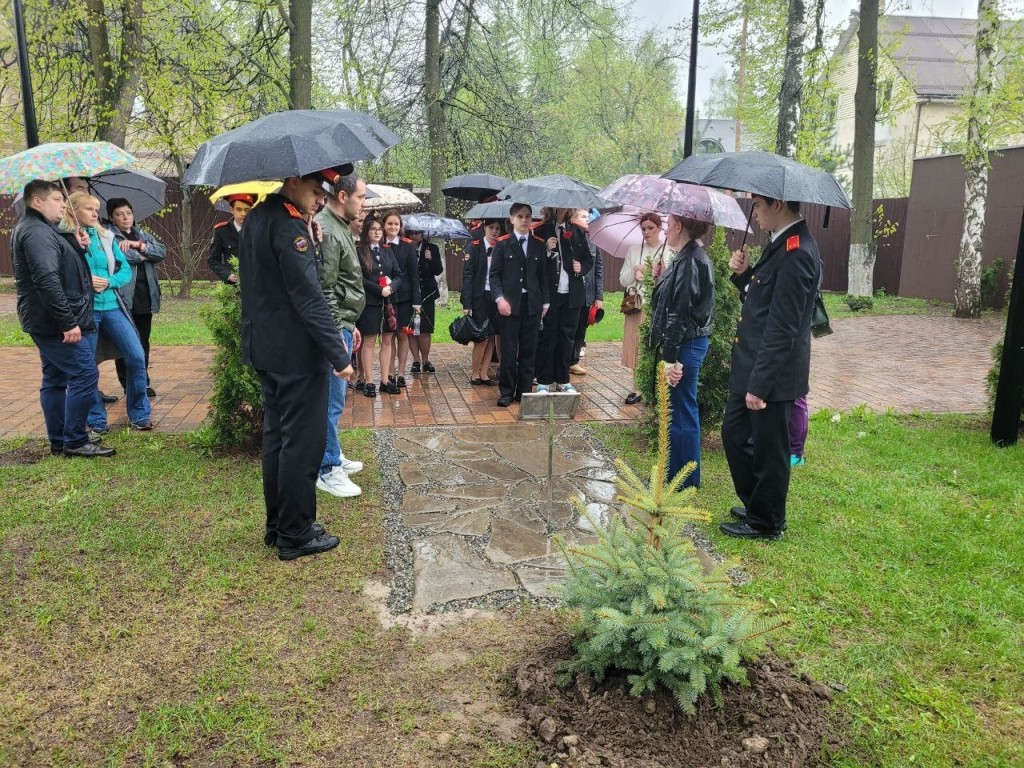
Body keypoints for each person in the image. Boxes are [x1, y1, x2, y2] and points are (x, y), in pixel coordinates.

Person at [239, 171, 354, 561]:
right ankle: (295, 533)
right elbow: (308, 298)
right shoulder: (291, 228)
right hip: (294, 354)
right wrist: (339, 355)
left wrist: (312, 240)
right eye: (315, 189)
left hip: (266, 348)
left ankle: (280, 525)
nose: (321, 197)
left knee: (278, 440)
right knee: (301, 445)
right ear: (292, 181)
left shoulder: (259, 216)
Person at [720, 196, 820, 541]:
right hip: (752, 364)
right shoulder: (779, 245)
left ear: (777, 204)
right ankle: (757, 504)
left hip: (771, 375)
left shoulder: (798, 253)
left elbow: (783, 327)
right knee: (734, 436)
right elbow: (762, 301)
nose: (756, 214)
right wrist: (744, 274)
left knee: (769, 449)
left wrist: (760, 385)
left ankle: (767, 521)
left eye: (759, 206)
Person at [12, 180, 113, 458]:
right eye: (57, 199)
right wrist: (67, 322)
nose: (62, 204)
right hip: (53, 321)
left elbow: (62, 265)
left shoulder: (45, 230)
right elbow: (47, 280)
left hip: (47, 319)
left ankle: (60, 439)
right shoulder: (36, 232)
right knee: (84, 372)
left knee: (55, 378)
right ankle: (75, 440)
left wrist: (75, 242)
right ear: (37, 202)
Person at [63, 192, 153, 432]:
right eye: (89, 209)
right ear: (73, 212)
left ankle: (139, 412)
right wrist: (84, 277)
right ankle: (96, 418)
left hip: (112, 306)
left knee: (135, 355)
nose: (95, 214)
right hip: (86, 310)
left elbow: (125, 271)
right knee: (88, 365)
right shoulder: (66, 239)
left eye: (96, 209)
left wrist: (109, 281)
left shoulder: (106, 236)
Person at [649, 216, 715, 488]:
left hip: (685, 345)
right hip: (686, 342)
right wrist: (663, 278)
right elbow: (674, 300)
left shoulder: (690, 261)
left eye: (669, 224)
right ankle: (674, 475)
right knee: (678, 409)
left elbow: (679, 314)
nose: (665, 229)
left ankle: (683, 481)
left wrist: (670, 359)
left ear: (679, 227)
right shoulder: (686, 257)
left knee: (682, 411)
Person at [314, 170, 367, 498]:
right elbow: (326, 288)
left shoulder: (340, 226)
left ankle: (332, 454)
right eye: (360, 197)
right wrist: (337, 334)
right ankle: (327, 467)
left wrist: (352, 324)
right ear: (343, 196)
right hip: (335, 328)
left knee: (335, 401)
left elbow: (345, 283)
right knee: (330, 402)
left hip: (344, 324)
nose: (363, 203)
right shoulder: (329, 231)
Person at [488, 203, 549, 407]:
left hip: (532, 304)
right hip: (509, 306)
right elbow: (494, 275)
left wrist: (545, 302)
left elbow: (543, 277)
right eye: (520, 216)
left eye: (528, 216)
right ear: (512, 219)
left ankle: (523, 391)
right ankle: (506, 391)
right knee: (509, 349)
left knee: (529, 350)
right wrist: (499, 299)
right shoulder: (503, 244)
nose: (524, 220)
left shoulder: (538, 244)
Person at [108, 198, 165, 399]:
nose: (125, 217)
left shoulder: (142, 234)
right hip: (124, 298)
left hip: (145, 296)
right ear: (112, 218)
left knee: (143, 341)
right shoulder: (110, 236)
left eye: (128, 213)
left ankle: (142, 382)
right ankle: (127, 384)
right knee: (125, 343)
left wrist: (137, 244)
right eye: (119, 214)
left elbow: (162, 252)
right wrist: (144, 252)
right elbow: (125, 258)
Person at [533, 207, 593, 394]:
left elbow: (588, 260)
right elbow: (533, 262)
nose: (564, 208)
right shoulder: (541, 230)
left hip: (572, 294)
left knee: (567, 337)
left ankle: (563, 379)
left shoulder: (578, 231)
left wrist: (580, 267)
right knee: (548, 337)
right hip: (551, 294)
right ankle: (543, 380)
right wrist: (547, 250)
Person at [619, 212, 672, 405]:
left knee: (653, 347)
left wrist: (656, 272)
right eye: (643, 228)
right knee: (635, 346)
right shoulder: (633, 250)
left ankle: (655, 387)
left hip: (657, 306)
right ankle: (637, 387)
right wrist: (634, 272)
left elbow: (671, 279)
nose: (647, 232)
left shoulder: (668, 250)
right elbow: (622, 279)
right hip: (636, 305)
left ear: (659, 229)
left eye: (651, 228)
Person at [356, 217, 403, 397]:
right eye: (373, 229)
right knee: (369, 342)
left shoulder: (387, 251)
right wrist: (378, 290)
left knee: (387, 340)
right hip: (370, 302)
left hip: (389, 302)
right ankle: (368, 381)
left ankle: (385, 379)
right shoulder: (360, 251)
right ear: (366, 231)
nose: (377, 232)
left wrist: (391, 287)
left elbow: (399, 274)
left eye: (379, 229)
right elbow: (359, 278)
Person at [381, 210, 420, 387]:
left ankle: (402, 373)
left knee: (402, 335)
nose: (393, 227)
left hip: (404, 299)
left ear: (401, 226)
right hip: (384, 298)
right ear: (383, 225)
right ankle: (389, 372)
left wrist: (416, 301)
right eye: (389, 223)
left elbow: (413, 276)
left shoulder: (408, 246)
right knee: (388, 336)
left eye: (396, 224)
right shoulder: (378, 244)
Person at [462, 219, 502, 385]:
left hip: (496, 296)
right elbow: (468, 276)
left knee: (492, 336)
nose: (494, 231)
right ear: (485, 228)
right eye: (491, 228)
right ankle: (474, 373)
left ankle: (485, 373)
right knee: (481, 336)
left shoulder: (501, 247)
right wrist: (467, 303)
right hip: (479, 296)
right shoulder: (474, 246)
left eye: (497, 228)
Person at [569, 208, 602, 376]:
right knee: (569, 327)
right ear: (573, 218)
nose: (588, 219)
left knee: (581, 328)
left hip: (587, 293)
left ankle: (574, 361)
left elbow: (598, 269)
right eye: (583, 216)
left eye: (588, 216)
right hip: (570, 293)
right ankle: (563, 360)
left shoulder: (593, 240)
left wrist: (599, 295)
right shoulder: (568, 238)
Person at [406, 228, 444, 375]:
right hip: (409, 294)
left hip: (427, 294)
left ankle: (425, 360)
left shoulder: (432, 248)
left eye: (418, 233)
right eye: (412, 233)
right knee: (411, 329)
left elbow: (438, 270)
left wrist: (431, 259)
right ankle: (415, 360)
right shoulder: (405, 248)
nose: (415, 236)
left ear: (422, 234)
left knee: (425, 329)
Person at [208, 193, 254, 284]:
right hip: (233, 287)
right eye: (239, 209)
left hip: (257, 285)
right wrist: (228, 274)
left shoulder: (259, 230)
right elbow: (213, 260)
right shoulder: (221, 231)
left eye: (246, 210)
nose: (243, 214)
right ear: (232, 210)